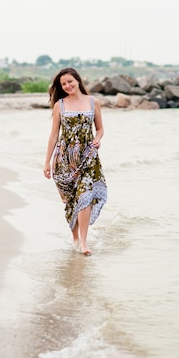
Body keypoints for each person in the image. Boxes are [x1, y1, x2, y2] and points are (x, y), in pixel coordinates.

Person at [43, 67, 107, 256]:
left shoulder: (93, 102)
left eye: (70, 81)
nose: (67, 85)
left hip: (88, 157)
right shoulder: (60, 106)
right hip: (64, 159)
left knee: (85, 196)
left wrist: (98, 139)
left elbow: (100, 129)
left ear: (77, 80)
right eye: (63, 84)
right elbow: (54, 135)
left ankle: (84, 242)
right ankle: (75, 238)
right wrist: (47, 163)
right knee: (72, 200)